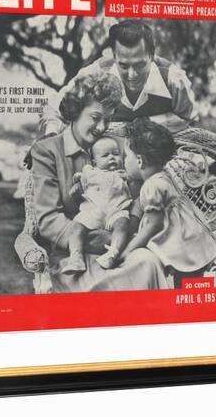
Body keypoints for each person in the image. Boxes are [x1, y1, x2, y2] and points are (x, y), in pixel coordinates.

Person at [31, 71, 169, 293]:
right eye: (95, 118)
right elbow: (48, 220)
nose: (102, 127)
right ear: (75, 111)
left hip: (117, 246)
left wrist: (126, 233)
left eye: (108, 119)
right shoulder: (47, 151)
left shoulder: (115, 148)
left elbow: (135, 192)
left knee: (148, 261)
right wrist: (104, 240)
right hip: (74, 259)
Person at [41, 19, 196, 136]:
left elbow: (190, 122)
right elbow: (55, 107)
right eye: (123, 66)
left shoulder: (173, 79)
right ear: (114, 56)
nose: (132, 75)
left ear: (151, 56)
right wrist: (51, 135)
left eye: (140, 65)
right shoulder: (97, 72)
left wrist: (145, 125)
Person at [121, 117, 216, 274]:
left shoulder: (151, 187)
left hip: (181, 244)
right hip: (193, 237)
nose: (124, 161)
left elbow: (152, 226)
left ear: (139, 161)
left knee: (184, 284)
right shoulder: (163, 176)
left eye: (126, 156)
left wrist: (129, 249)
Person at [64, 136, 132, 273]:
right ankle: (76, 257)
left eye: (116, 154)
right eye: (105, 155)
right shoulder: (90, 172)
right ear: (95, 161)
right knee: (76, 226)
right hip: (93, 211)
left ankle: (113, 253)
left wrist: (130, 179)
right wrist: (77, 188)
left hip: (116, 210)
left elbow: (134, 193)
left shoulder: (124, 174)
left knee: (123, 225)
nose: (112, 158)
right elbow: (78, 186)